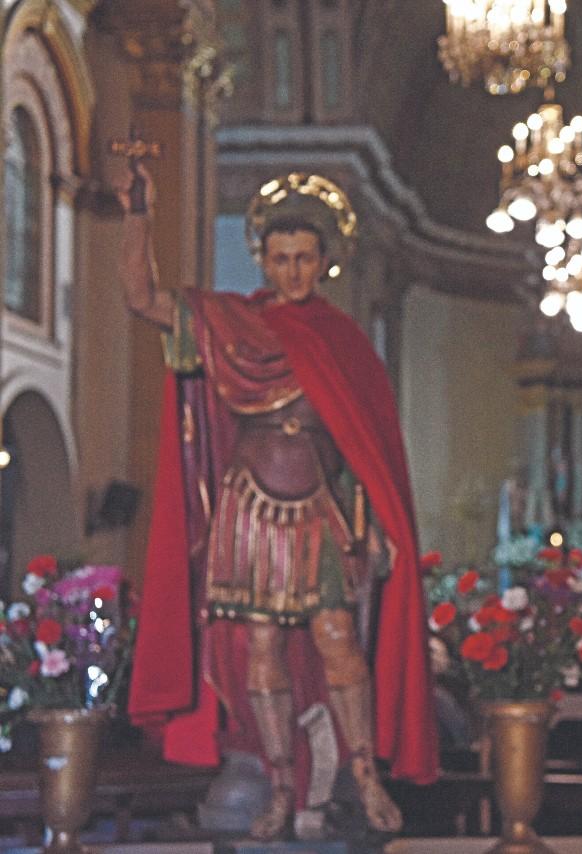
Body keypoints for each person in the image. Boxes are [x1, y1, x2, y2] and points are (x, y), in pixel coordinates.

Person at [120, 168, 438, 840]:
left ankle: (363, 779)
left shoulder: (345, 342)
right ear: (263, 258)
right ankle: (281, 788)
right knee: (260, 645)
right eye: (280, 258)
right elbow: (142, 297)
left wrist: (376, 525)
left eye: (305, 259)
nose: (293, 271)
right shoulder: (231, 322)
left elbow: (364, 449)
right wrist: (138, 215)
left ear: (325, 263)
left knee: (337, 640)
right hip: (248, 505)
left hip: (318, 503)